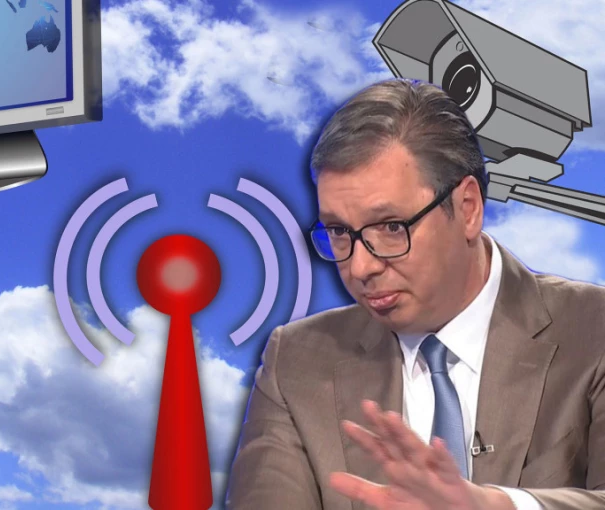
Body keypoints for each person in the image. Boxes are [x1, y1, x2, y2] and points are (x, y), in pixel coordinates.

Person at [225, 78, 605, 510]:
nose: (360, 267)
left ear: (467, 208)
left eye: (391, 227)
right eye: (339, 232)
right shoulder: (295, 360)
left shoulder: (594, 328)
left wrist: (493, 507)